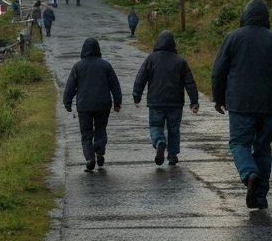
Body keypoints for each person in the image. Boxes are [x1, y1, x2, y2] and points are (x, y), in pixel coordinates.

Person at [211, 0, 272, 210]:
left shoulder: (232, 38)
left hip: (241, 103)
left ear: (244, 16)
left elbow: (218, 71)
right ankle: (260, 196)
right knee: (262, 147)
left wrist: (219, 98)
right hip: (270, 105)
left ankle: (250, 173)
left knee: (239, 143)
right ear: (266, 18)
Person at [132, 30, 199, 166]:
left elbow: (141, 78)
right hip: (175, 103)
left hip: (156, 101)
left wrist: (136, 96)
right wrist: (194, 101)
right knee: (174, 128)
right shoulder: (180, 61)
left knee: (156, 126)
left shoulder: (151, 59)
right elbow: (189, 82)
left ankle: (159, 142)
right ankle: (172, 156)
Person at [63, 37, 122, 172]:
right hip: (103, 104)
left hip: (84, 106)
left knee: (86, 133)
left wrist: (67, 102)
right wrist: (117, 102)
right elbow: (115, 85)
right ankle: (99, 151)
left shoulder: (78, 66)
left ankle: (90, 157)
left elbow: (70, 86)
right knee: (101, 129)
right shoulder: (106, 65)